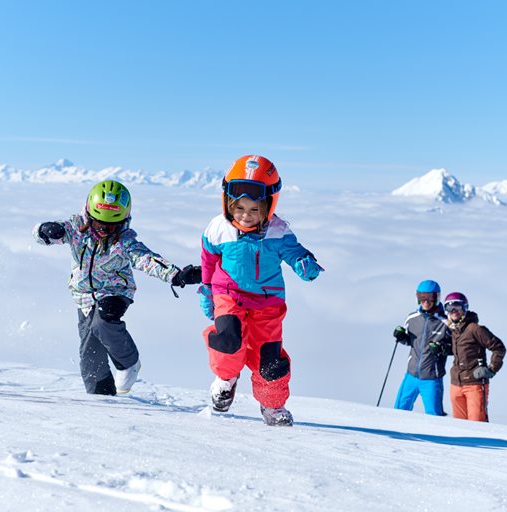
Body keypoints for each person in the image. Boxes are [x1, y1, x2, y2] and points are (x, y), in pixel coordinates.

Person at [34, 179, 201, 396]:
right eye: (99, 224)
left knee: (103, 323)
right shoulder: (75, 229)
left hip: (115, 292)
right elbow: (41, 235)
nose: (104, 230)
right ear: (88, 215)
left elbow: (147, 259)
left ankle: (128, 362)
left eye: (112, 225)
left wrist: (176, 275)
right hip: (83, 296)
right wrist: (45, 231)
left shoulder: (124, 241)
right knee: (89, 352)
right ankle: (101, 396)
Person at [198, 155, 322, 426]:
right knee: (228, 339)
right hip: (228, 294)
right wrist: (207, 291)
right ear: (228, 203)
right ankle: (226, 379)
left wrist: (304, 263)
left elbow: (294, 251)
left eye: (254, 210)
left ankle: (272, 404)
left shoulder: (278, 231)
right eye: (239, 208)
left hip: (268, 304)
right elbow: (208, 260)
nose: (245, 215)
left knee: (269, 359)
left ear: (269, 206)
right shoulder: (219, 228)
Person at [443, 291, 506, 422]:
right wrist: (443, 349)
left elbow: (499, 347)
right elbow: (461, 351)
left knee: (477, 424)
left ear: (465, 308)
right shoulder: (453, 330)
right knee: (459, 426)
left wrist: (491, 369)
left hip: (474, 384)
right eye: (449, 307)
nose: (453, 311)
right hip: (455, 384)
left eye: (457, 307)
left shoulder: (475, 329)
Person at [392, 280, 449, 416]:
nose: (426, 301)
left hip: (431, 378)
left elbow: (454, 348)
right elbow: (411, 341)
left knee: (434, 415)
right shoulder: (412, 318)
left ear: (437, 297)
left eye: (430, 297)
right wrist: (401, 337)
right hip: (411, 376)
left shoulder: (445, 322)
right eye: (422, 297)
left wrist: (442, 348)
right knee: (398, 411)